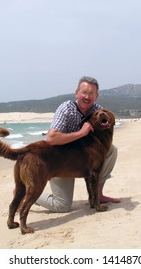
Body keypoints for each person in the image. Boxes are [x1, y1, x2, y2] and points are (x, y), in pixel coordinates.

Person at [35, 76, 121, 213]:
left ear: (96, 96)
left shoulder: (97, 110)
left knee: (111, 150)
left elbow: (107, 122)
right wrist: (81, 133)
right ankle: (28, 194)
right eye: (84, 92)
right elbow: (51, 139)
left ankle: (97, 196)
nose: (87, 97)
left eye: (91, 93)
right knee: (62, 206)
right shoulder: (66, 109)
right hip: (60, 161)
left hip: (81, 160)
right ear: (77, 93)